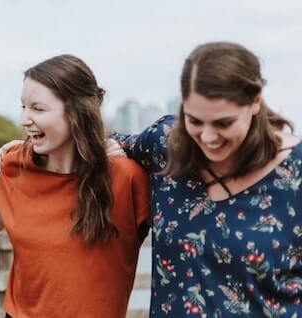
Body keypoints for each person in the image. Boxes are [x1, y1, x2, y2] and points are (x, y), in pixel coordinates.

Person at [110, 42, 301, 317]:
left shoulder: (296, 173)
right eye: (195, 121)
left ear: (255, 101)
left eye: (223, 123)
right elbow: (92, 148)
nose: (208, 137)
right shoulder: (165, 143)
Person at [0, 54, 151, 317]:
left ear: (76, 113)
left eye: (38, 109)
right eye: (23, 107)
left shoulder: (126, 177)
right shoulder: (15, 166)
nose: (25, 119)